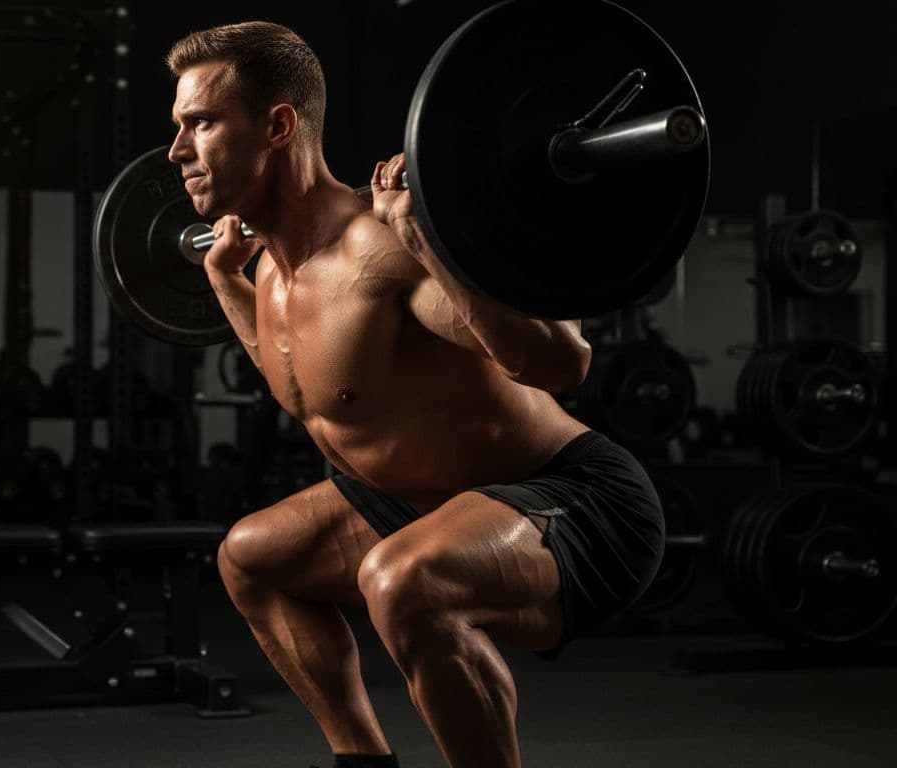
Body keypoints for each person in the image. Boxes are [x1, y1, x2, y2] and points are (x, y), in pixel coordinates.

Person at [166, 21, 665, 768]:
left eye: (200, 123)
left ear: (277, 127)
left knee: (404, 581)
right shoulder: (268, 271)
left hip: (574, 499)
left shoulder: (381, 250)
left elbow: (563, 363)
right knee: (251, 557)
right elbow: (304, 386)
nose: (177, 151)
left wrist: (429, 243)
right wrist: (226, 282)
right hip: (424, 501)